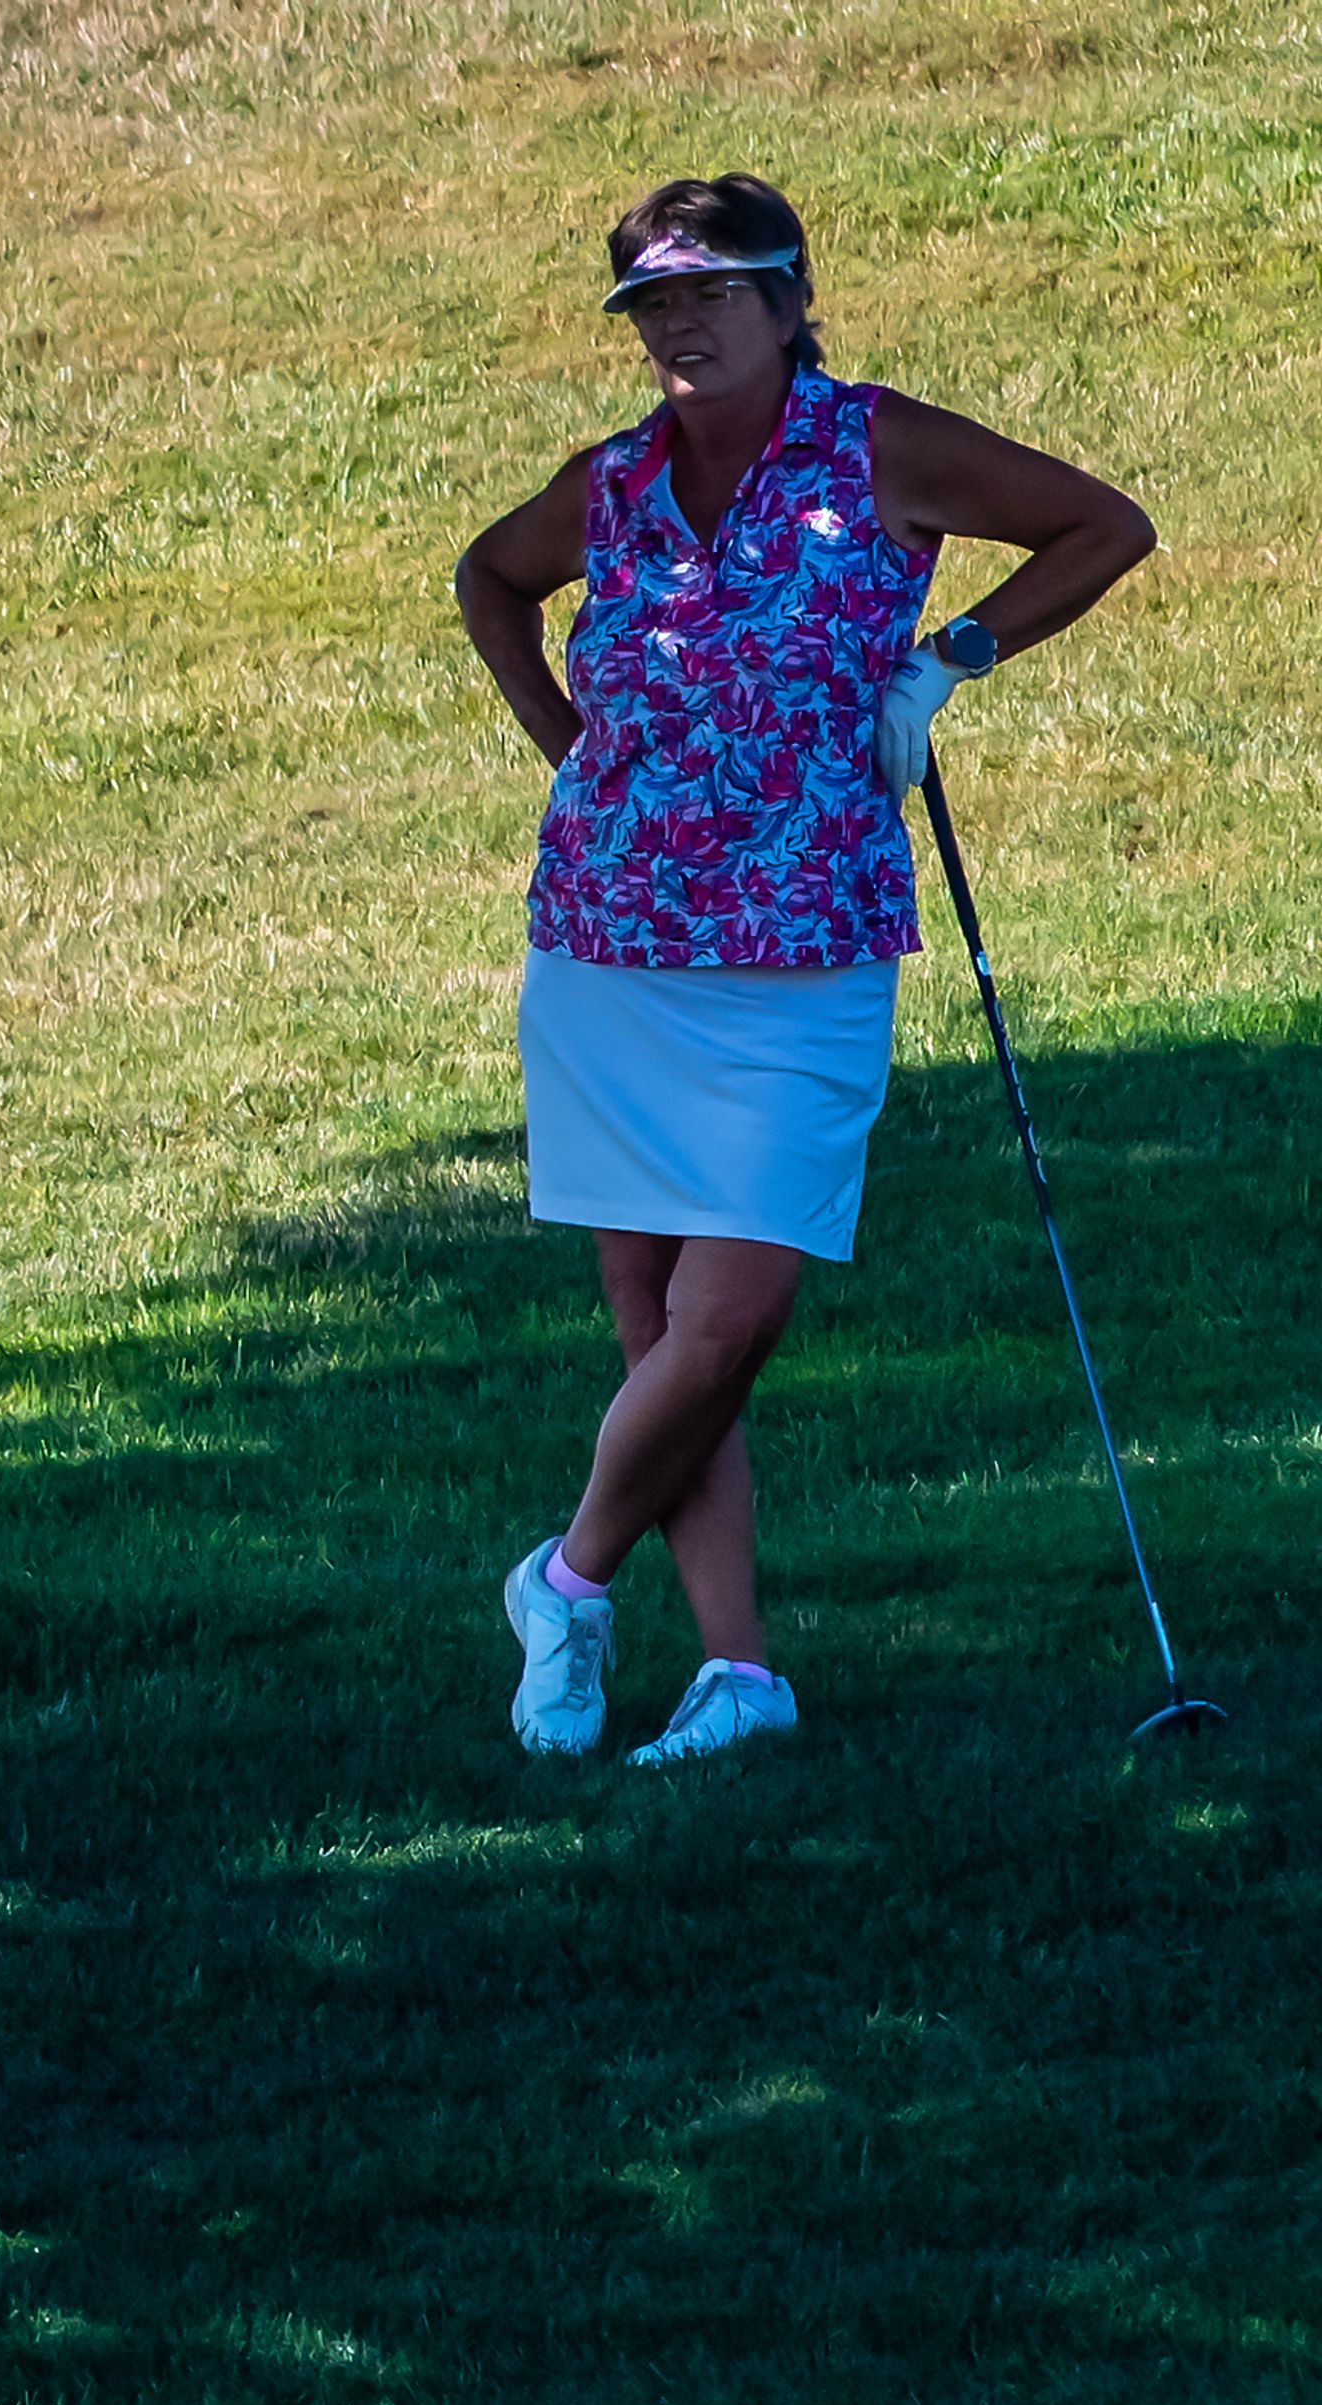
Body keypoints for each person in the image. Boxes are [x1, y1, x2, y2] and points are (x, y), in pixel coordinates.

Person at [453, 174, 1152, 1764]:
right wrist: (574, 755)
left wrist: (948, 653)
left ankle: (563, 1580)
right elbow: (488, 580)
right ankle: (739, 1674)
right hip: (608, 948)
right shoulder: (614, 483)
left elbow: (1105, 524)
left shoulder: (879, 445)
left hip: (806, 945)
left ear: (788, 299)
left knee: (730, 1313)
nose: (680, 323)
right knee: (654, 1325)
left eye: (713, 292)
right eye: (653, 301)